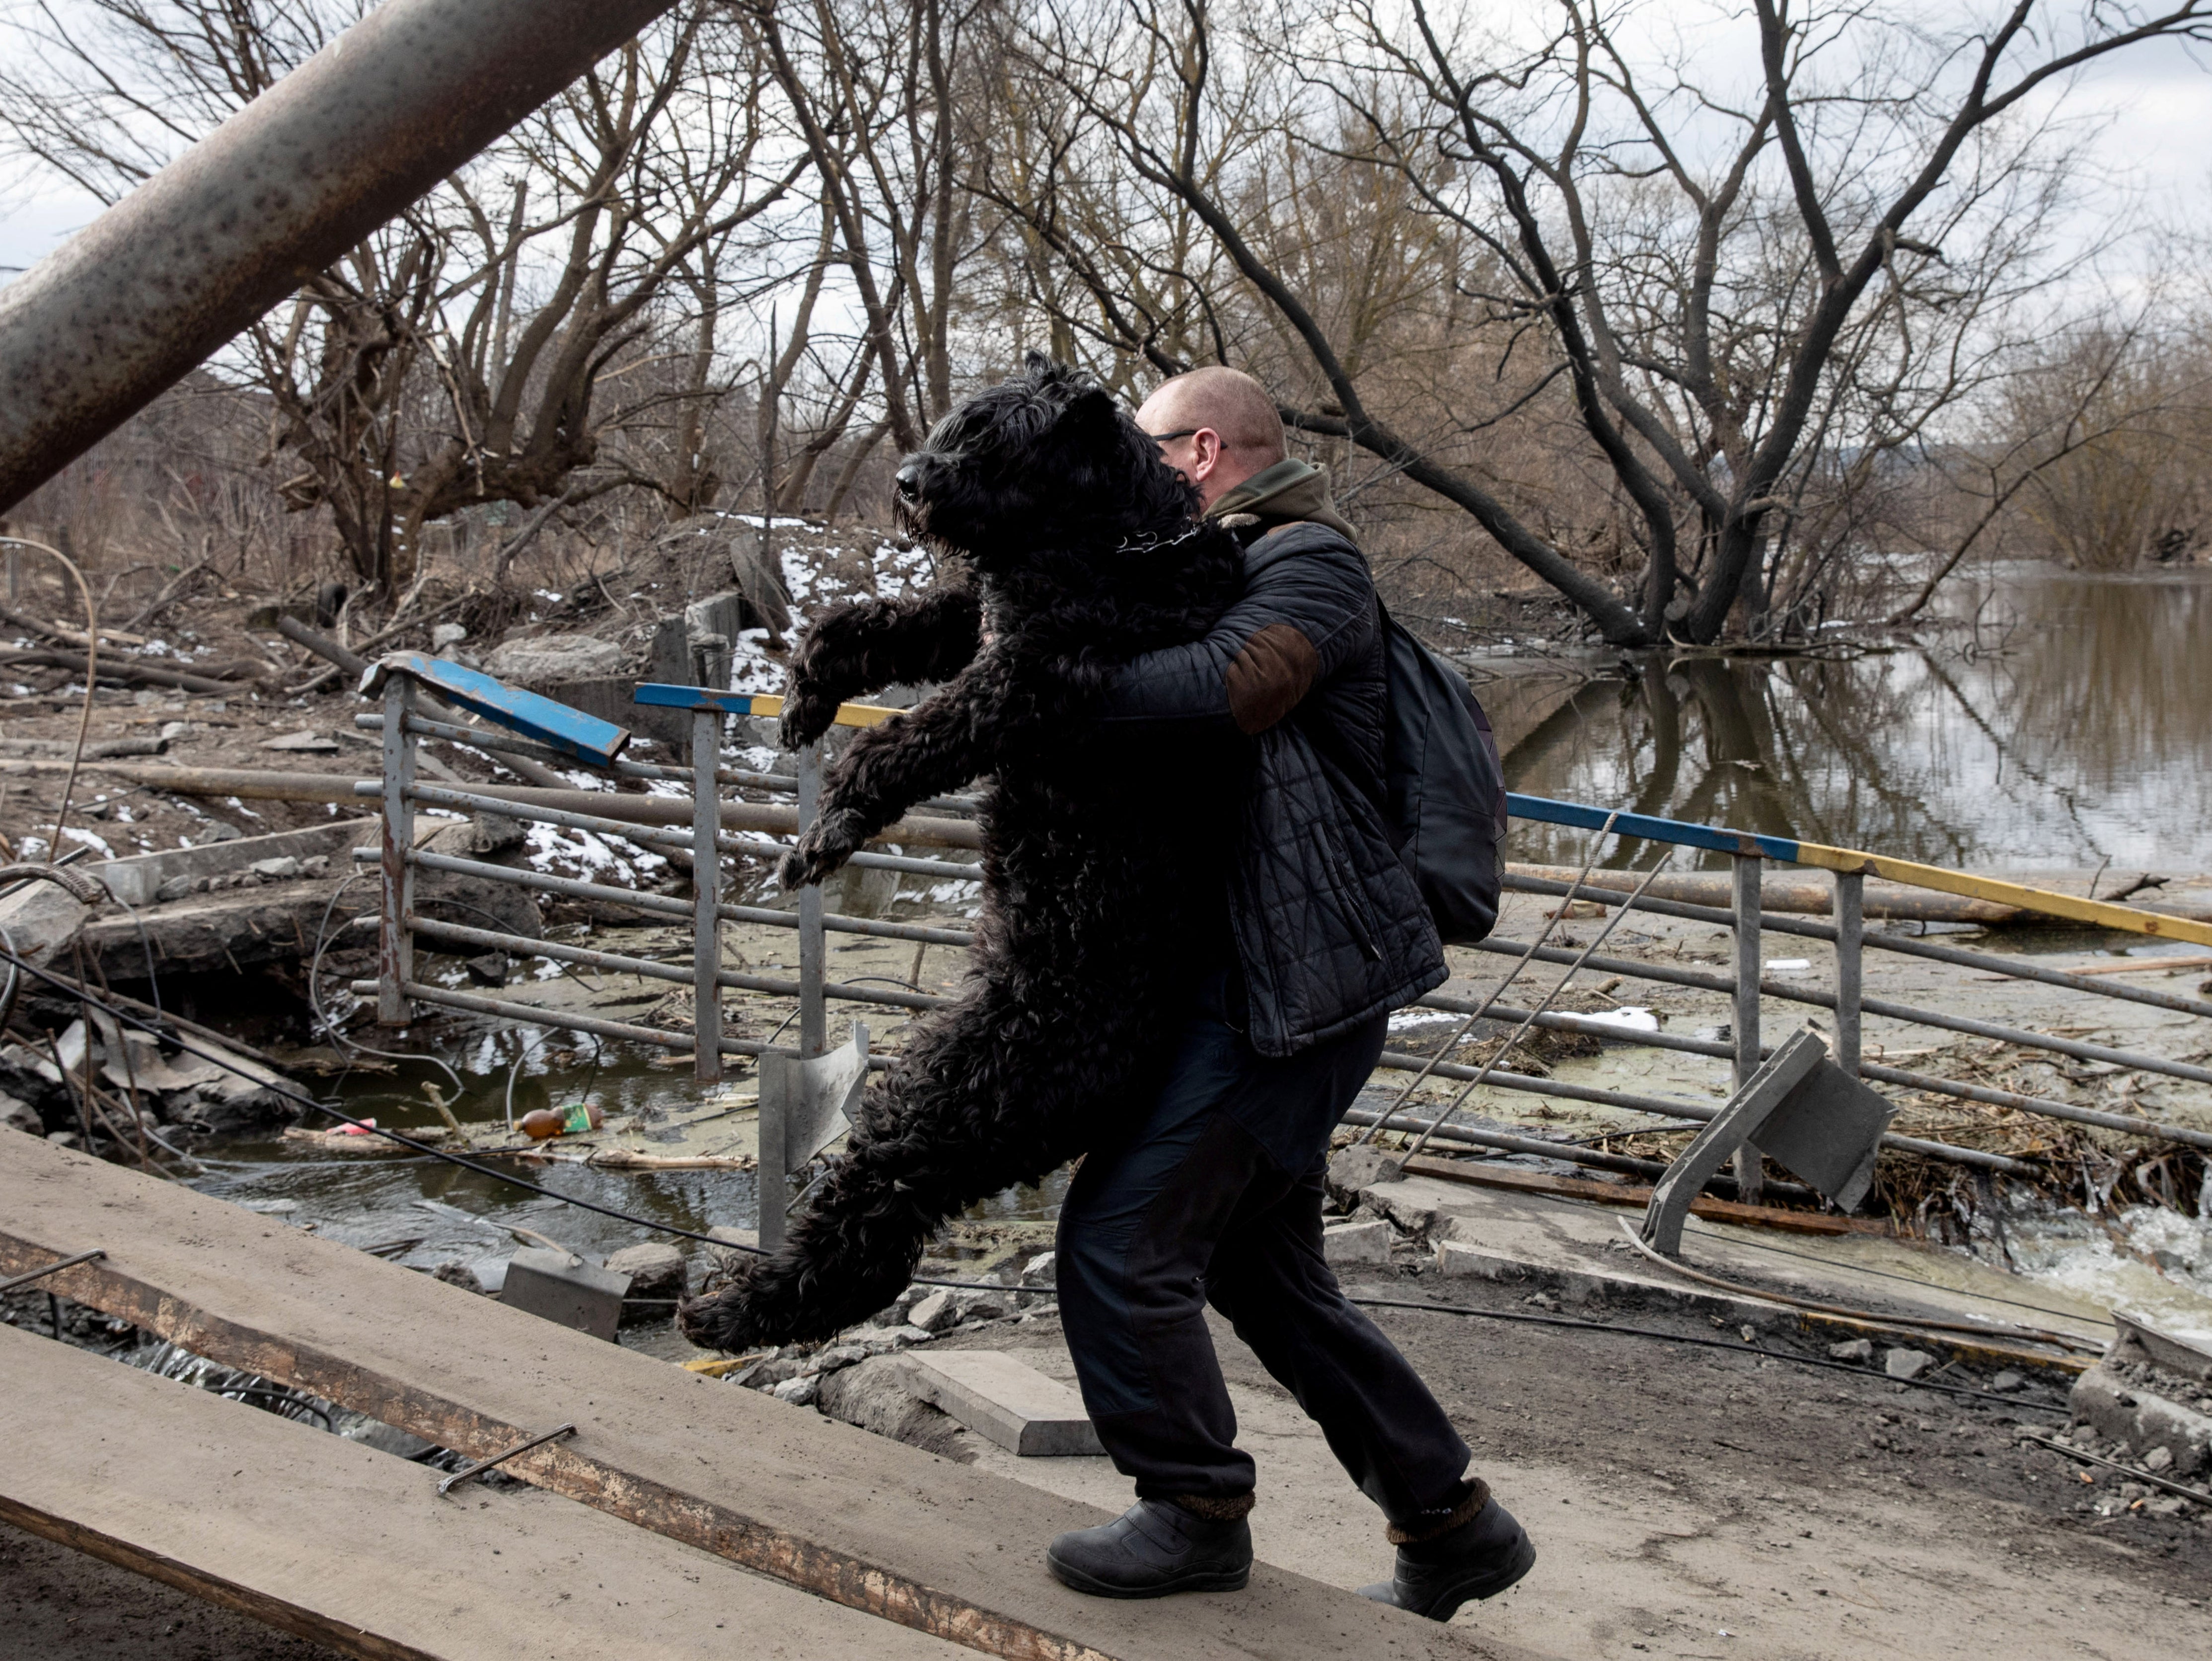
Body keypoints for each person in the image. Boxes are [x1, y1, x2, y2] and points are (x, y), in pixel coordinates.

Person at [1041, 367, 1536, 1618]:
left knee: (1120, 1238)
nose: (1130, 466)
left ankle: (1193, 1506)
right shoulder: (1220, 558)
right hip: (1261, 974)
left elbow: (1232, 688)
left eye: (1144, 446)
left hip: (1293, 989)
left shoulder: (1310, 560)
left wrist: (1052, 690)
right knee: (1261, 1273)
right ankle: (1451, 1523)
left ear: (1200, 451)